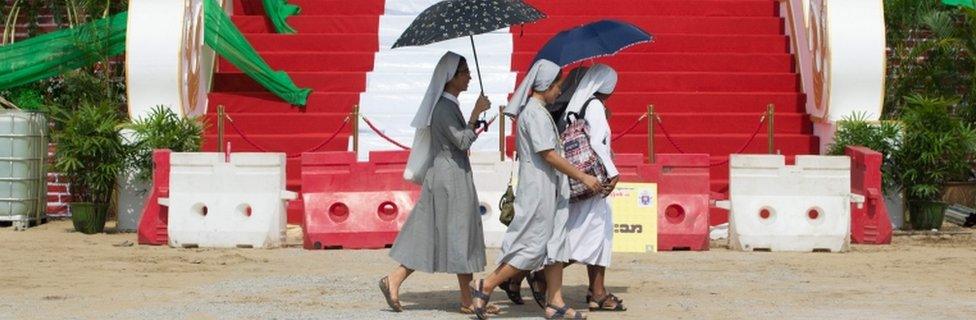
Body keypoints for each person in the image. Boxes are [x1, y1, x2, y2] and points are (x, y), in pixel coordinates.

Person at [468, 59, 604, 320]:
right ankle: (486, 285)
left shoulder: (539, 111)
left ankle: (555, 301)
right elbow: (549, 154)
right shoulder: (534, 113)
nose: (559, 92)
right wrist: (583, 177)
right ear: (545, 86)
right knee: (533, 247)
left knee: (555, 246)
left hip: (550, 189)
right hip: (539, 191)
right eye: (557, 87)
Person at [378, 51, 497, 315]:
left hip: (447, 174)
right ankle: (462, 297)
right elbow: (463, 141)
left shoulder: (447, 104)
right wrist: (476, 113)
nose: (469, 76)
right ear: (451, 77)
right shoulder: (445, 107)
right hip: (450, 177)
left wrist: (473, 117)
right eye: (464, 72)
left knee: (441, 233)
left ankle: (464, 298)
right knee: (457, 232)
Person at [560, 64, 626, 312]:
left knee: (598, 235)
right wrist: (613, 171)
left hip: (582, 181)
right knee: (589, 235)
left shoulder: (578, 105)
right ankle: (541, 275)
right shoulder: (595, 105)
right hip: (595, 180)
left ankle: (597, 292)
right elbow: (597, 141)